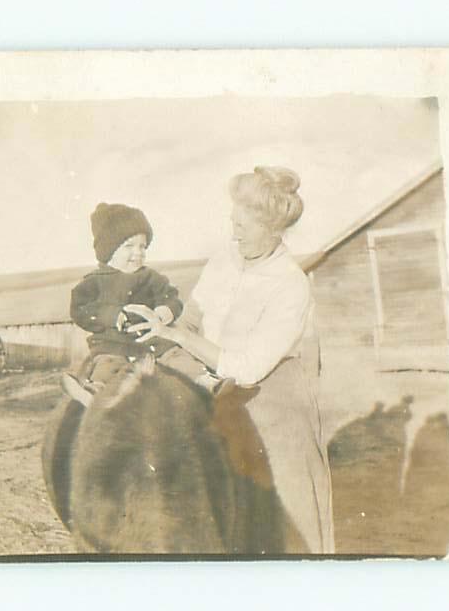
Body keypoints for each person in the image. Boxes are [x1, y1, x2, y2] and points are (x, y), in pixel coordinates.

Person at [123, 166, 335, 554]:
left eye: (242, 225)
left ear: (272, 228)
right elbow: (193, 314)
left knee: (285, 525)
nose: (233, 232)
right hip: (215, 386)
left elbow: (249, 367)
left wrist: (180, 336)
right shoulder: (224, 260)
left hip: (273, 404)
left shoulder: (290, 283)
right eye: (231, 221)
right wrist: (164, 323)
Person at [61, 202, 229, 407]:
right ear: (108, 250)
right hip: (114, 345)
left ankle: (205, 381)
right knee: (107, 365)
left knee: (177, 358)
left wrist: (164, 312)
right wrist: (112, 315)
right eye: (129, 246)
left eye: (143, 246)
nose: (138, 253)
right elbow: (80, 309)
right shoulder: (94, 282)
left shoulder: (150, 277)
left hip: (155, 342)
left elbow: (171, 297)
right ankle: (96, 389)